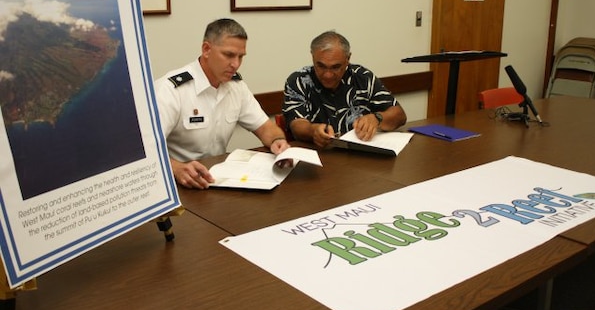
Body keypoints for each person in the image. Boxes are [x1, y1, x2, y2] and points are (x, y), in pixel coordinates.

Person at [155, 18, 290, 189]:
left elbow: (264, 127)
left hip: (216, 180)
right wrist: (175, 168)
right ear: (206, 49)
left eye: (241, 57)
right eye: (229, 55)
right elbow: (146, 149)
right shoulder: (171, 90)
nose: (236, 64)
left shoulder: (236, 87)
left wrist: (277, 141)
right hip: (177, 183)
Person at [282, 30, 407, 148]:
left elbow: (399, 115)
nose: (328, 74)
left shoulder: (362, 77)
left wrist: (377, 118)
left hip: (360, 156)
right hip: (317, 156)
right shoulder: (298, 81)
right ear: (312, 56)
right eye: (321, 66)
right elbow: (297, 124)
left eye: (336, 67)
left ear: (348, 59)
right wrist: (313, 131)